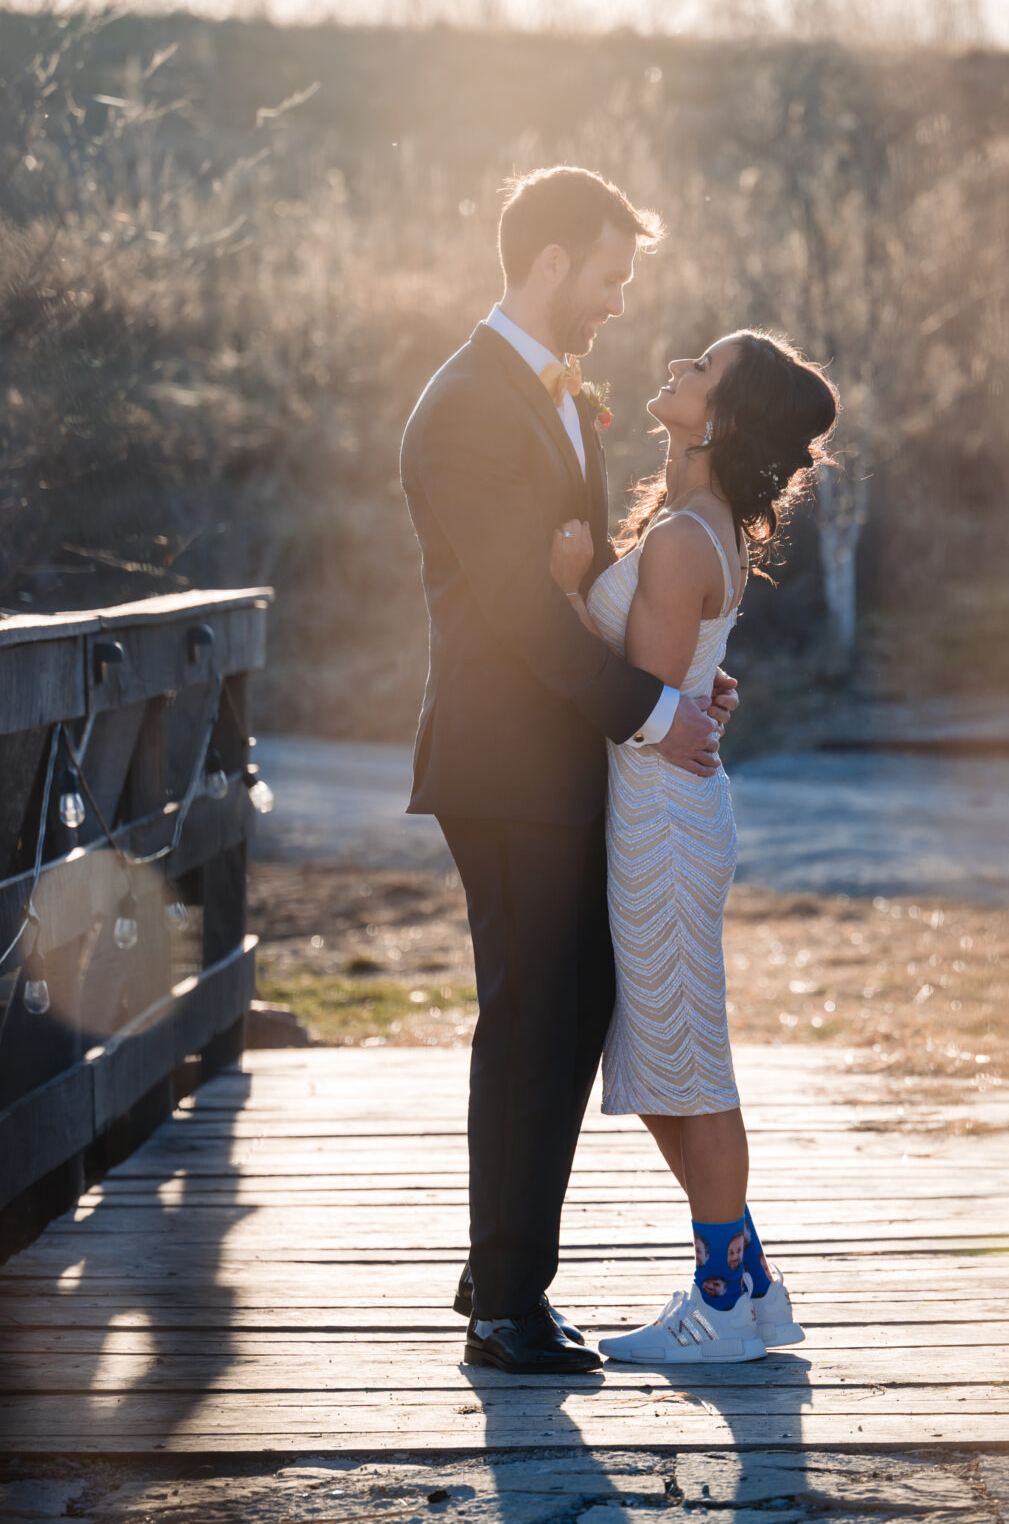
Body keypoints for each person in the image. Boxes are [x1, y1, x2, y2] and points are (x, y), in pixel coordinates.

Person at [398, 166, 733, 1376]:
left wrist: (680, 672)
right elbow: (510, 620)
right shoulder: (466, 409)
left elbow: (577, 600)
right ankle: (504, 1311)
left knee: (571, 1003)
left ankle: (500, 1265)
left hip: (553, 753)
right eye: (607, 273)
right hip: (499, 760)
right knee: (535, 1016)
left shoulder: (554, 395)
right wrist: (651, 710)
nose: (615, 299)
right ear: (548, 262)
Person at [548, 330, 839, 1363]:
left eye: (701, 366)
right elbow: (672, 684)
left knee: (690, 1069)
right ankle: (752, 1288)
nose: (675, 363)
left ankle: (722, 1302)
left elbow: (636, 694)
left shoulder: (679, 539)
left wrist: (563, 591)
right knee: (666, 1063)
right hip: (659, 812)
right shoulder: (688, 522)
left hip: (661, 820)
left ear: (720, 417)